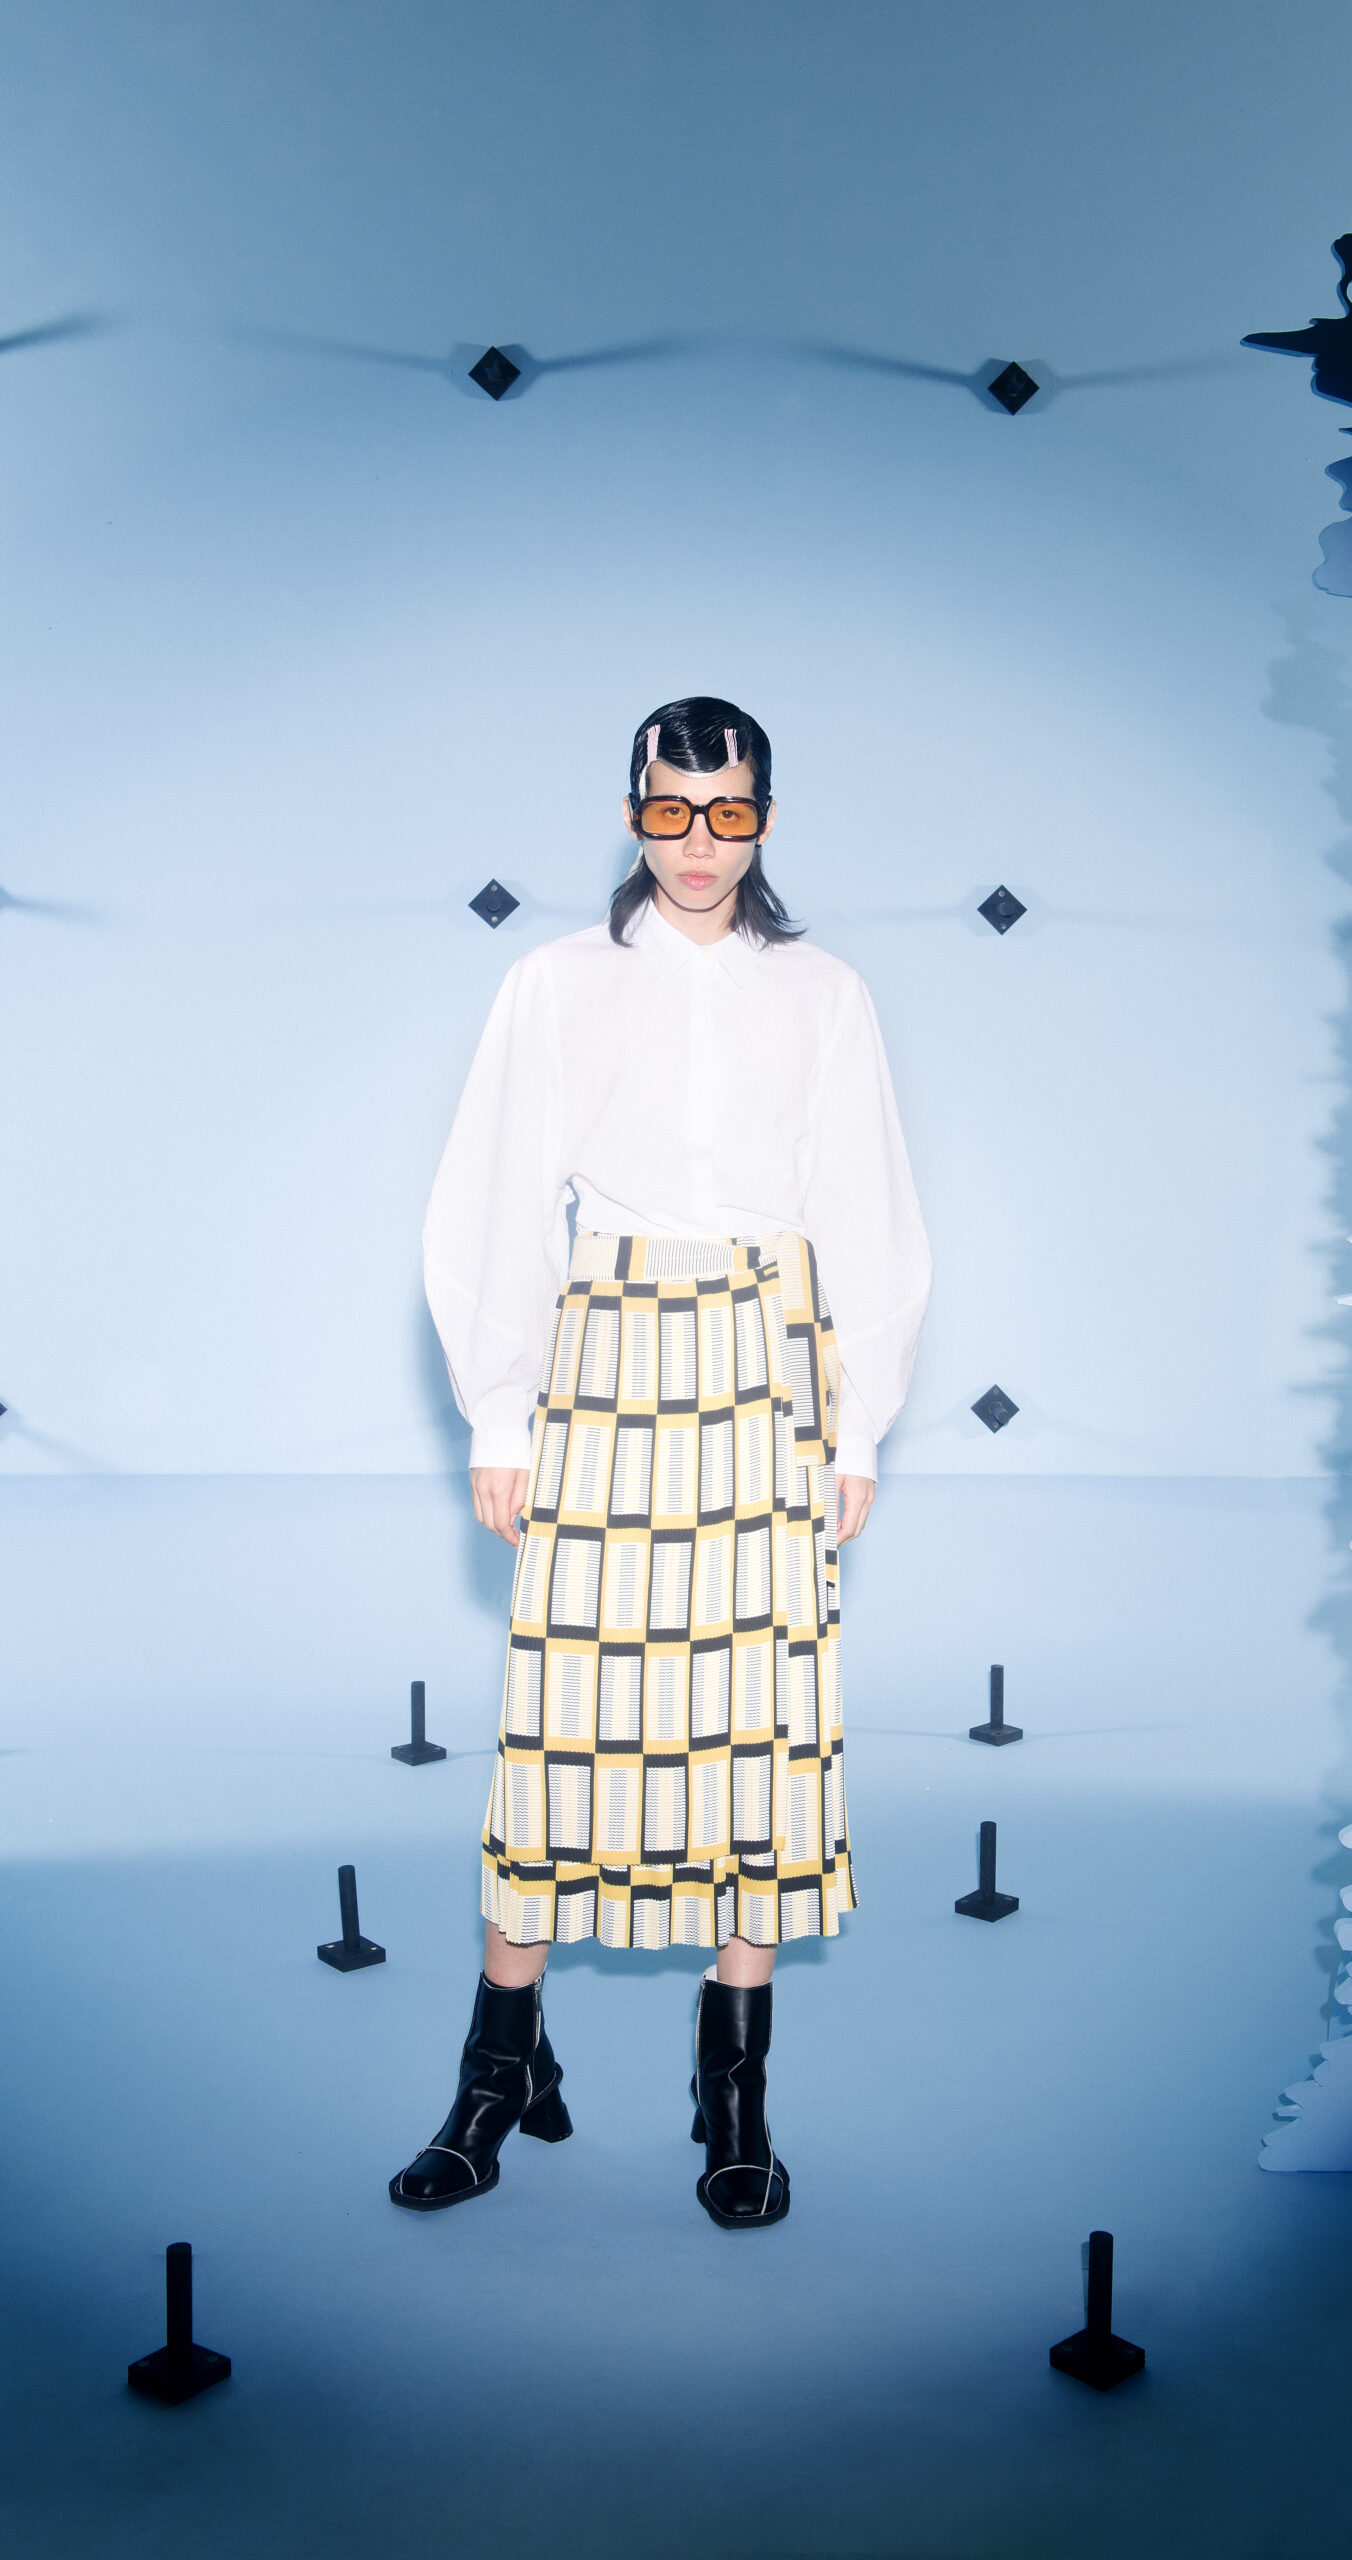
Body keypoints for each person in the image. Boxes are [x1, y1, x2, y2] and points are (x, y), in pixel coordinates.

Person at [390, 695, 931, 2229]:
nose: (699, 844)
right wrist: (499, 1411)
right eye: (671, 810)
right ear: (631, 809)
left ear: (765, 817)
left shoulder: (824, 993)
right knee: (562, 1716)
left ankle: (731, 2094)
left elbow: (867, 1211)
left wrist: (857, 1420)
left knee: (760, 1725)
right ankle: (498, 2072)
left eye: (730, 812)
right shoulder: (555, 983)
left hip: (767, 1364)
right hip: (604, 1354)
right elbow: (491, 1197)